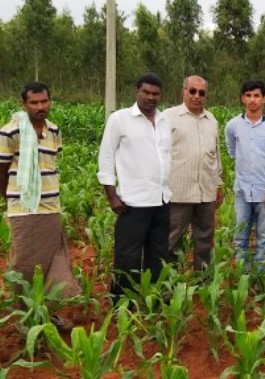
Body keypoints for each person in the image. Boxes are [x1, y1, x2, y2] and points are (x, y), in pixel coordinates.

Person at [0, 82, 80, 330]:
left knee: (53, 264)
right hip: (24, 211)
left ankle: (47, 315)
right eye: (34, 102)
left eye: (44, 101)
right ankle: (25, 322)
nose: (40, 107)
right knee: (24, 267)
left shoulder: (54, 130)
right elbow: (1, 171)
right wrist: (11, 200)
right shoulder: (10, 132)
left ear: (50, 101)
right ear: (23, 104)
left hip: (50, 208)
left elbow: (51, 165)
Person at [98, 73, 172, 302]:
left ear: (160, 96)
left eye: (155, 94)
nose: (150, 97)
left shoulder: (164, 121)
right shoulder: (120, 119)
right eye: (146, 92)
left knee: (158, 254)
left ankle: (154, 299)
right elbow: (106, 157)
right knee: (127, 255)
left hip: (161, 201)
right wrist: (112, 196)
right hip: (133, 202)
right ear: (136, 92)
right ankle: (121, 302)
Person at [163, 75, 223, 272]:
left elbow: (216, 155)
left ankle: (203, 281)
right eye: (192, 91)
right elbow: (159, 154)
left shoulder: (211, 120)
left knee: (205, 239)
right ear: (183, 92)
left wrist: (218, 184)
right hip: (178, 191)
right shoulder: (168, 117)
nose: (197, 96)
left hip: (206, 191)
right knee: (171, 239)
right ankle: (167, 286)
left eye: (202, 93)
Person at [224, 79, 265, 273]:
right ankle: (244, 279)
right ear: (242, 98)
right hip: (242, 191)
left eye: (257, 95)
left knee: (264, 238)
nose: (252, 100)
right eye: (248, 95)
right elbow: (232, 151)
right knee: (240, 238)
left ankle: (260, 279)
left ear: (264, 99)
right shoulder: (233, 126)